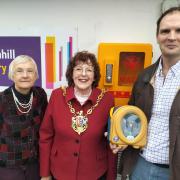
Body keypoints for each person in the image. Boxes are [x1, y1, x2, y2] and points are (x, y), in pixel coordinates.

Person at [110, 7, 180, 180]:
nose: (171, 37)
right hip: (140, 165)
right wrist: (120, 138)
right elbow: (130, 117)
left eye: (178, 30)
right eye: (165, 31)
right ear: (157, 37)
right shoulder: (145, 76)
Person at [39, 51, 117, 180]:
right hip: (60, 171)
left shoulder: (107, 99)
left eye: (89, 70)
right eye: (78, 69)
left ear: (95, 75)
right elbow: (45, 136)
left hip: (95, 172)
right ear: (72, 73)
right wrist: (45, 173)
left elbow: (112, 140)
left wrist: (111, 177)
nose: (83, 74)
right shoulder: (57, 96)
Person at [0, 55, 48, 180]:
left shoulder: (40, 95)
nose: (25, 75)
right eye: (19, 71)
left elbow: (47, 127)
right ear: (12, 75)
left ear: (36, 75)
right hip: (8, 169)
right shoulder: (2, 99)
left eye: (30, 71)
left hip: (35, 166)